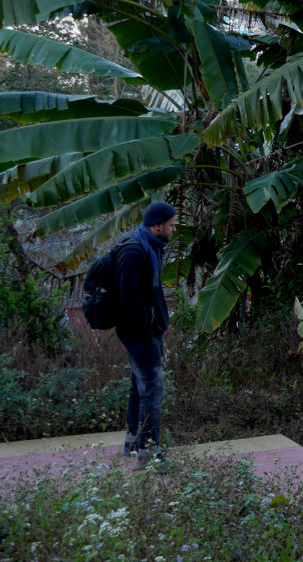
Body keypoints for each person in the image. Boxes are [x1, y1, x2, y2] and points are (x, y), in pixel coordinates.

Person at [116, 201, 177, 469]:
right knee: (152, 389)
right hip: (139, 333)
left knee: (138, 386)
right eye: (171, 226)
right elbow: (130, 301)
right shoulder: (136, 253)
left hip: (146, 331)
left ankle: (132, 442)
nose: (174, 230)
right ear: (157, 226)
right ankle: (149, 452)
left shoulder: (150, 247)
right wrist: (146, 334)